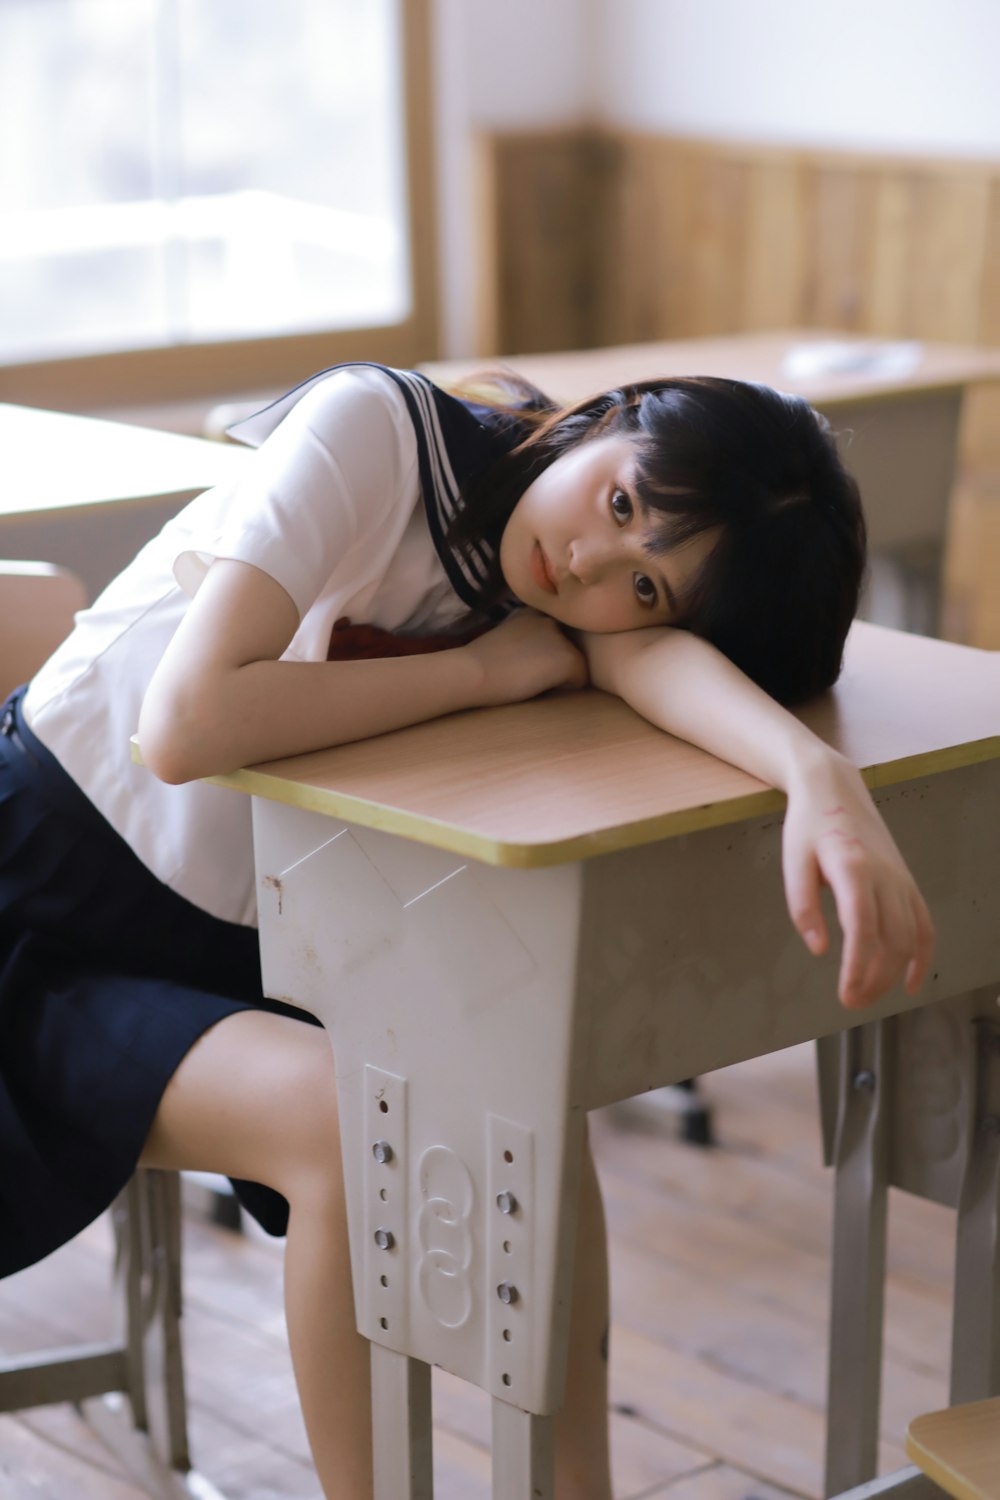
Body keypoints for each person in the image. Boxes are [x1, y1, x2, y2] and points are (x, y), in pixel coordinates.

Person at [0, 361, 933, 1500]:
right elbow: (188, 723)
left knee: (522, 1092)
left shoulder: (557, 581)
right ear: (608, 420)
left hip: (242, 941)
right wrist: (478, 675)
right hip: (34, 907)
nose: (591, 563)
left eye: (644, 587)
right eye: (624, 503)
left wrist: (818, 779)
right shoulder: (379, 435)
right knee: (341, 1121)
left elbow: (651, 659)